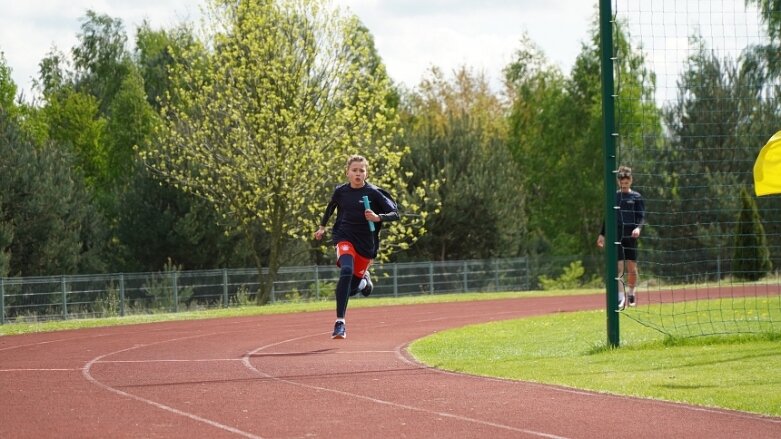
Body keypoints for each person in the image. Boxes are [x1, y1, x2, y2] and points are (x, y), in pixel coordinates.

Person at [315, 154, 400, 339]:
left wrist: (378, 217)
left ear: (366, 173)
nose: (358, 173)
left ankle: (363, 282)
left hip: (366, 246)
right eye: (354, 170)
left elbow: (395, 213)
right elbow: (331, 207)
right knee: (346, 270)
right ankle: (340, 324)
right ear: (348, 173)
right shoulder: (341, 192)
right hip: (344, 237)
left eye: (361, 170)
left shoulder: (374, 193)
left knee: (350, 289)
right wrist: (322, 227)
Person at [597, 165, 645, 311]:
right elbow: (608, 217)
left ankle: (631, 293)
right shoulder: (615, 196)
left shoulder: (636, 197)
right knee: (618, 268)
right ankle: (620, 297)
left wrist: (638, 228)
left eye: (627, 182)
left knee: (631, 268)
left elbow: (641, 216)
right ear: (619, 182)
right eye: (622, 183)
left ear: (631, 180)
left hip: (631, 234)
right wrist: (602, 234)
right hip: (616, 234)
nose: (624, 185)